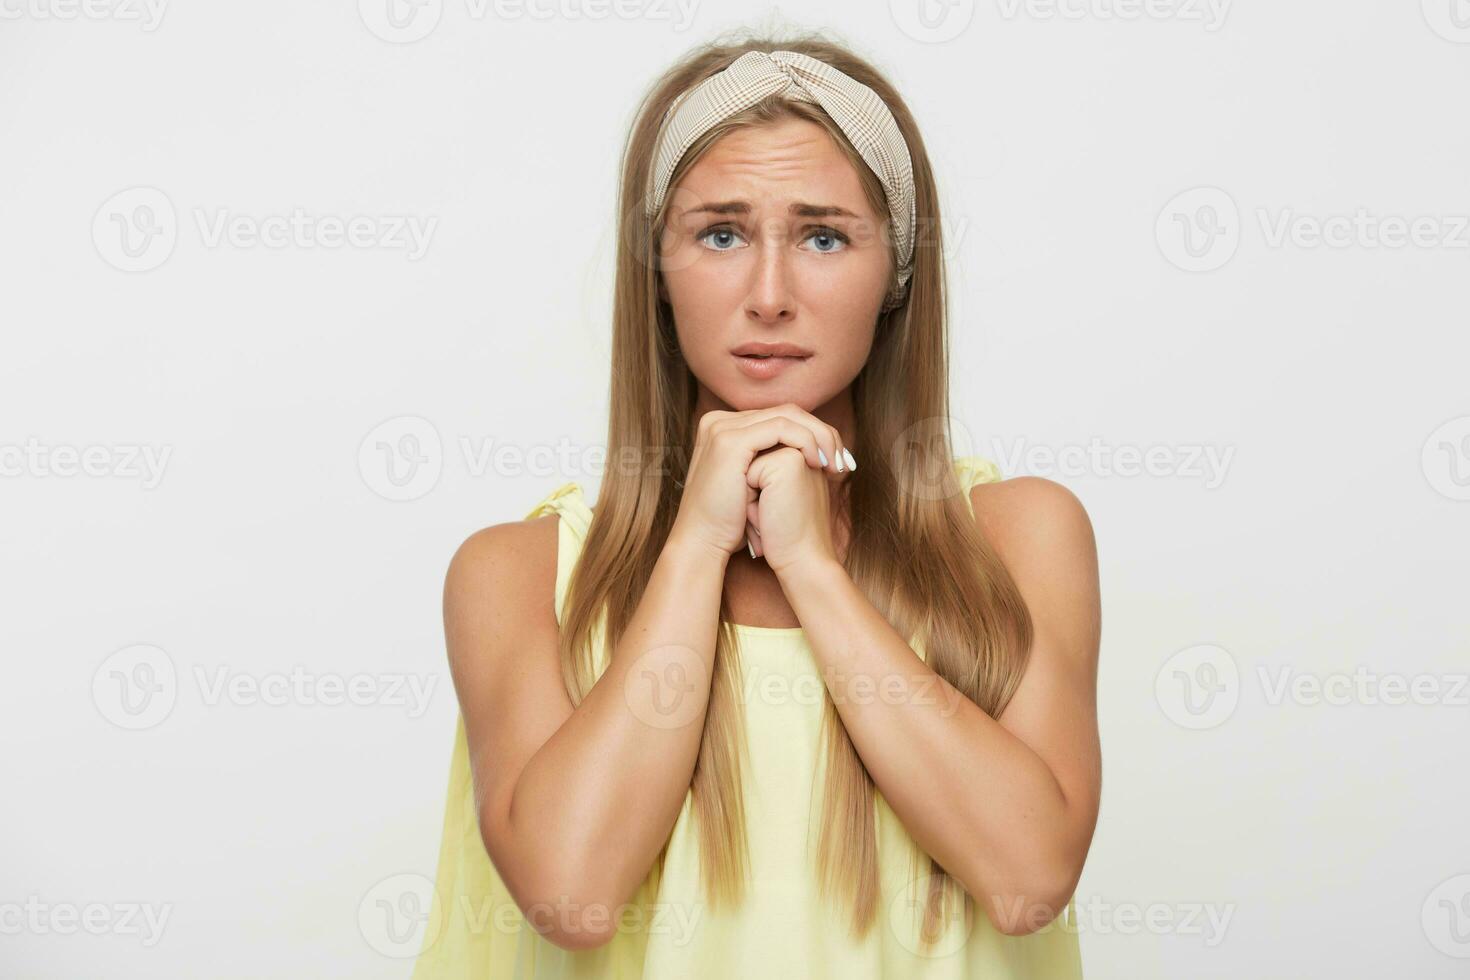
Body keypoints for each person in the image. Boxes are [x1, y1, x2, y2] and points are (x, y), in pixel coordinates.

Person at [411, 31, 1101, 979]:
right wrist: (697, 542)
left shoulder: (1020, 537)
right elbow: (572, 888)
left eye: (824, 236)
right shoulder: (517, 574)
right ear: (657, 269)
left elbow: (1027, 877)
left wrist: (814, 572)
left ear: (896, 272)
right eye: (720, 234)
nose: (769, 294)